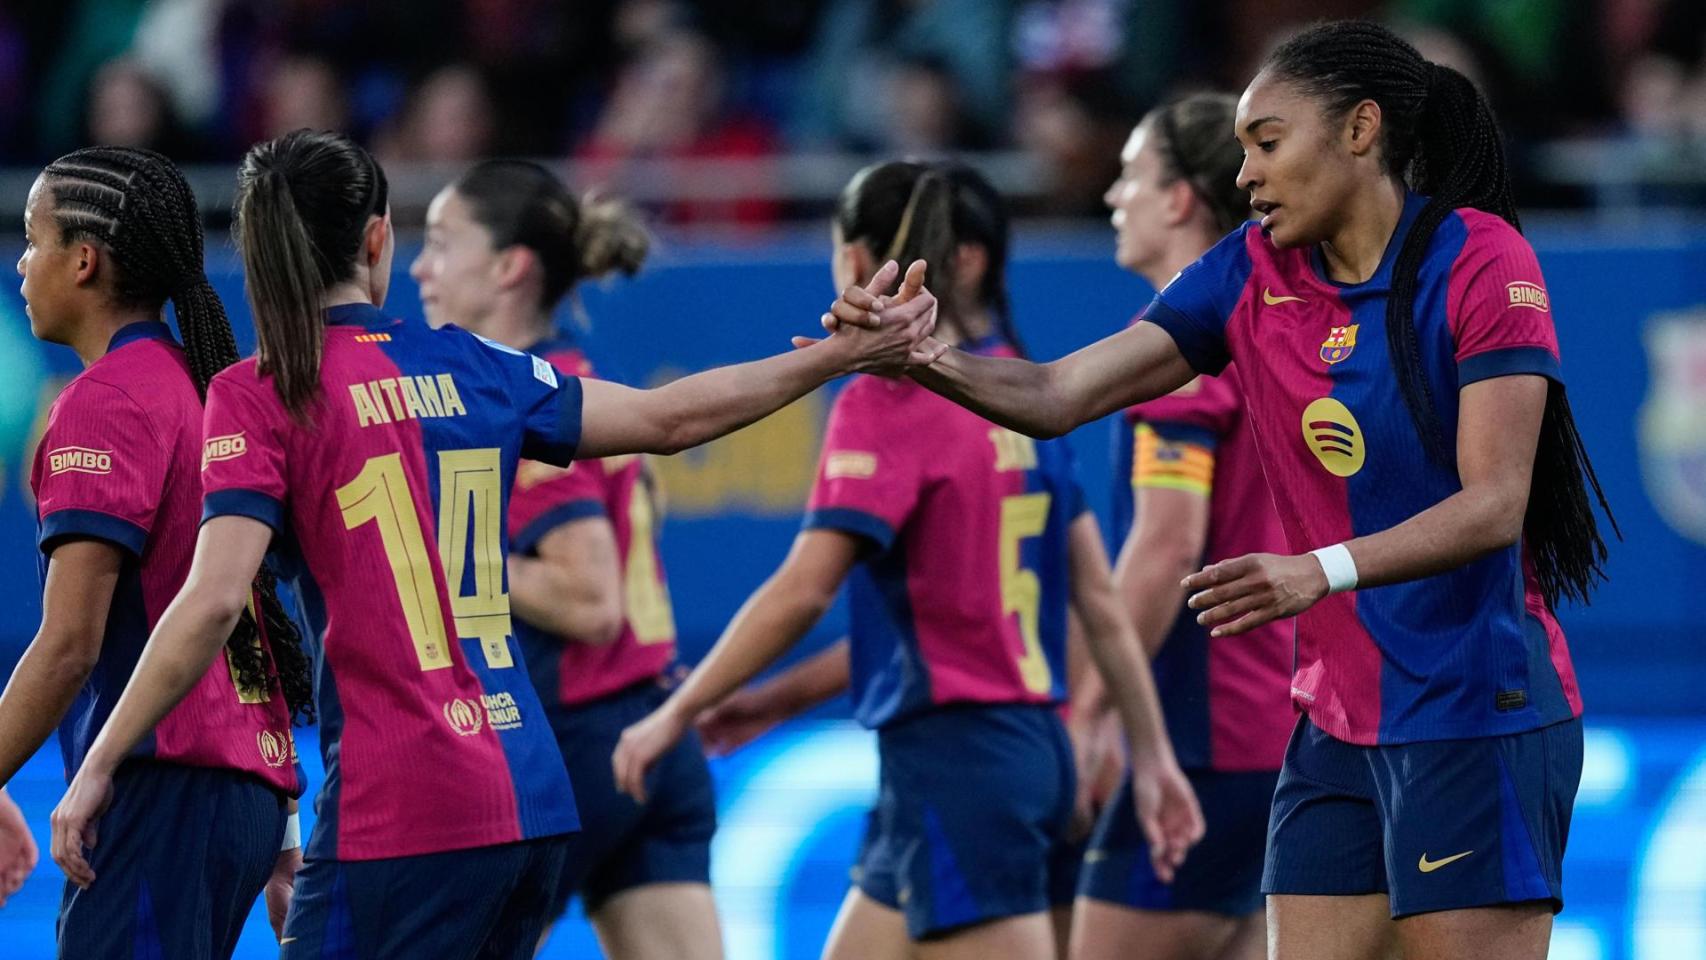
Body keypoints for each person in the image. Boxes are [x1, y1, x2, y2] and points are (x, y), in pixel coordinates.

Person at [48, 129, 935, 960]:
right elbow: (671, 418)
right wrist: (833, 357)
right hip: (533, 802)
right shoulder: (473, 364)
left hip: (397, 812)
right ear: (377, 240)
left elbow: (211, 602)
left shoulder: (264, 391)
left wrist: (99, 762)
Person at [836, 20, 1613, 960]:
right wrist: (924, 356)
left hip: (1477, 714)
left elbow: (1497, 504)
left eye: (1267, 142)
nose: (1243, 175)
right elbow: (1055, 393)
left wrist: (1314, 572)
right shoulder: (1249, 271)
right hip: (1332, 727)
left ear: (1360, 130)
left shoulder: (1483, 260)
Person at [613, 160, 1202, 960]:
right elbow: (1090, 598)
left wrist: (673, 714)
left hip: (958, 764)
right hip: (1020, 754)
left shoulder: (884, 398)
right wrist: (1149, 752)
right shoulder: (1014, 392)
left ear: (854, 262)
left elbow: (802, 591)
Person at [408, 158, 723, 960]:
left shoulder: (524, 412)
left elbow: (589, 600)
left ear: (511, 267)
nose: (419, 266)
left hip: (575, 742)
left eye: (443, 243)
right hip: (652, 734)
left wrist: (427, 549)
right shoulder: (578, 388)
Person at [5, 146, 313, 955]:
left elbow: (68, 646)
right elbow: (249, 610)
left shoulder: (103, 404)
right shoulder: (201, 386)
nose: (21, 263)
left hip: (161, 789)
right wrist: (283, 829)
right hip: (242, 792)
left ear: (83, 260)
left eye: (33, 240)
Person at [1071, 94, 1296, 960]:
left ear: (1176, 200)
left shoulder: (1178, 353)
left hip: (1202, 733)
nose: (1111, 197)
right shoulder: (1269, 324)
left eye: (1130, 176)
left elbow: (1166, 544)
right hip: (1274, 725)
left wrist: (1089, 710)